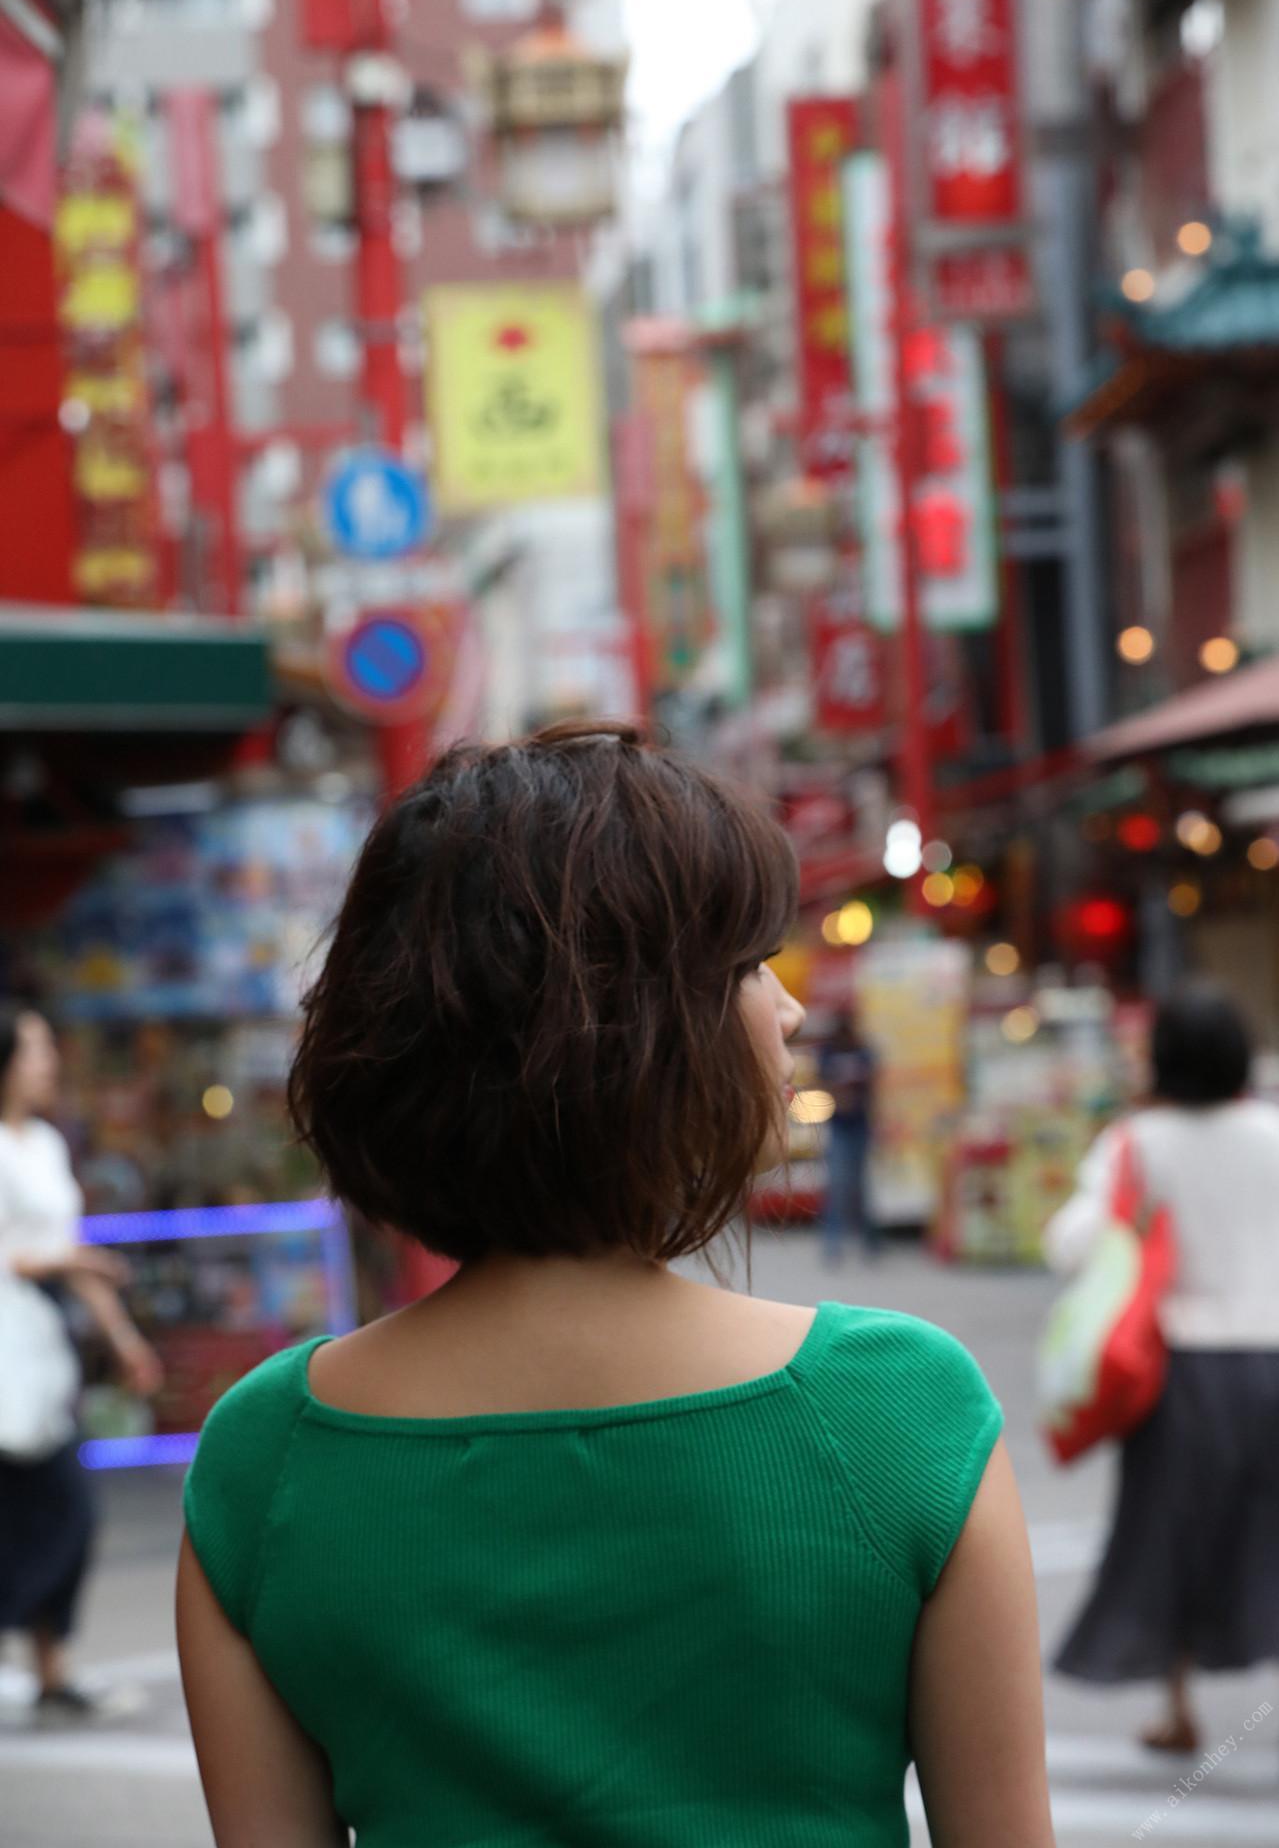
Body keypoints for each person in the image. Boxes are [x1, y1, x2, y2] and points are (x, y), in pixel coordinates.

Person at [178, 723, 1055, 1848]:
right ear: (635, 1030)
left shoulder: (264, 1460)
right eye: (746, 969)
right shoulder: (898, 1412)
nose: (787, 1010)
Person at [1043, 983, 1279, 1755]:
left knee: (1168, 1535)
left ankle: (1176, 1709)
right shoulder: (1273, 1134)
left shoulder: (1137, 1146)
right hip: (1272, 1356)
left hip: (1181, 1373)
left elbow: (1068, 1245)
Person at [0, 1005, 162, 1719]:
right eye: (34, 1048)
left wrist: (125, 1341)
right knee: (39, 1510)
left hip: (33, 1356)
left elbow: (73, 1258)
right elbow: (54, 1255)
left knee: (64, 1510)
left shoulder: (41, 1144)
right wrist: (61, 1259)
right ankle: (48, 1664)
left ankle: (51, 1668)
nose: (49, 1061)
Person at [816, 1010, 880, 1264]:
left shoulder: (862, 1050)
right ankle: (835, 1243)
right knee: (840, 1186)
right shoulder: (830, 1051)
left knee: (861, 1187)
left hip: (859, 1125)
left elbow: (874, 1083)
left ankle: (869, 1242)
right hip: (840, 1126)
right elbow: (822, 1082)